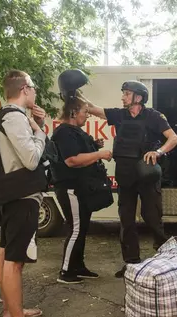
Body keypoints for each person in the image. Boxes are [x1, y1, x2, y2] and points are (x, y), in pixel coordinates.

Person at [79, 81, 177, 277]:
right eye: (123, 93)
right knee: (126, 220)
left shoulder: (153, 116)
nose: (123, 97)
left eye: (126, 94)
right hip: (125, 174)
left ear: (138, 98)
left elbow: (173, 138)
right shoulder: (120, 114)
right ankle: (131, 263)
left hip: (147, 174)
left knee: (153, 218)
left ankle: (165, 262)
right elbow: (92, 109)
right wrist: (75, 92)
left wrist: (158, 152)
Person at [0, 70, 53, 317]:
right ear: (25, 89)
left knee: (6, 255)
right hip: (21, 197)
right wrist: (39, 131)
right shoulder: (16, 118)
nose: (36, 92)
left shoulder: (1, 117)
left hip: (9, 196)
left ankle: (10, 311)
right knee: (14, 262)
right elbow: (30, 159)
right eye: (34, 87)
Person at [51, 96, 113, 284]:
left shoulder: (75, 132)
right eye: (85, 112)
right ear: (72, 112)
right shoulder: (63, 133)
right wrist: (100, 154)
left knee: (83, 227)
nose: (87, 116)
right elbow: (72, 160)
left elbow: (81, 151)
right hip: (70, 188)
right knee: (76, 229)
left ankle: (78, 266)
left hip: (81, 188)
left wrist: (95, 145)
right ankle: (66, 271)